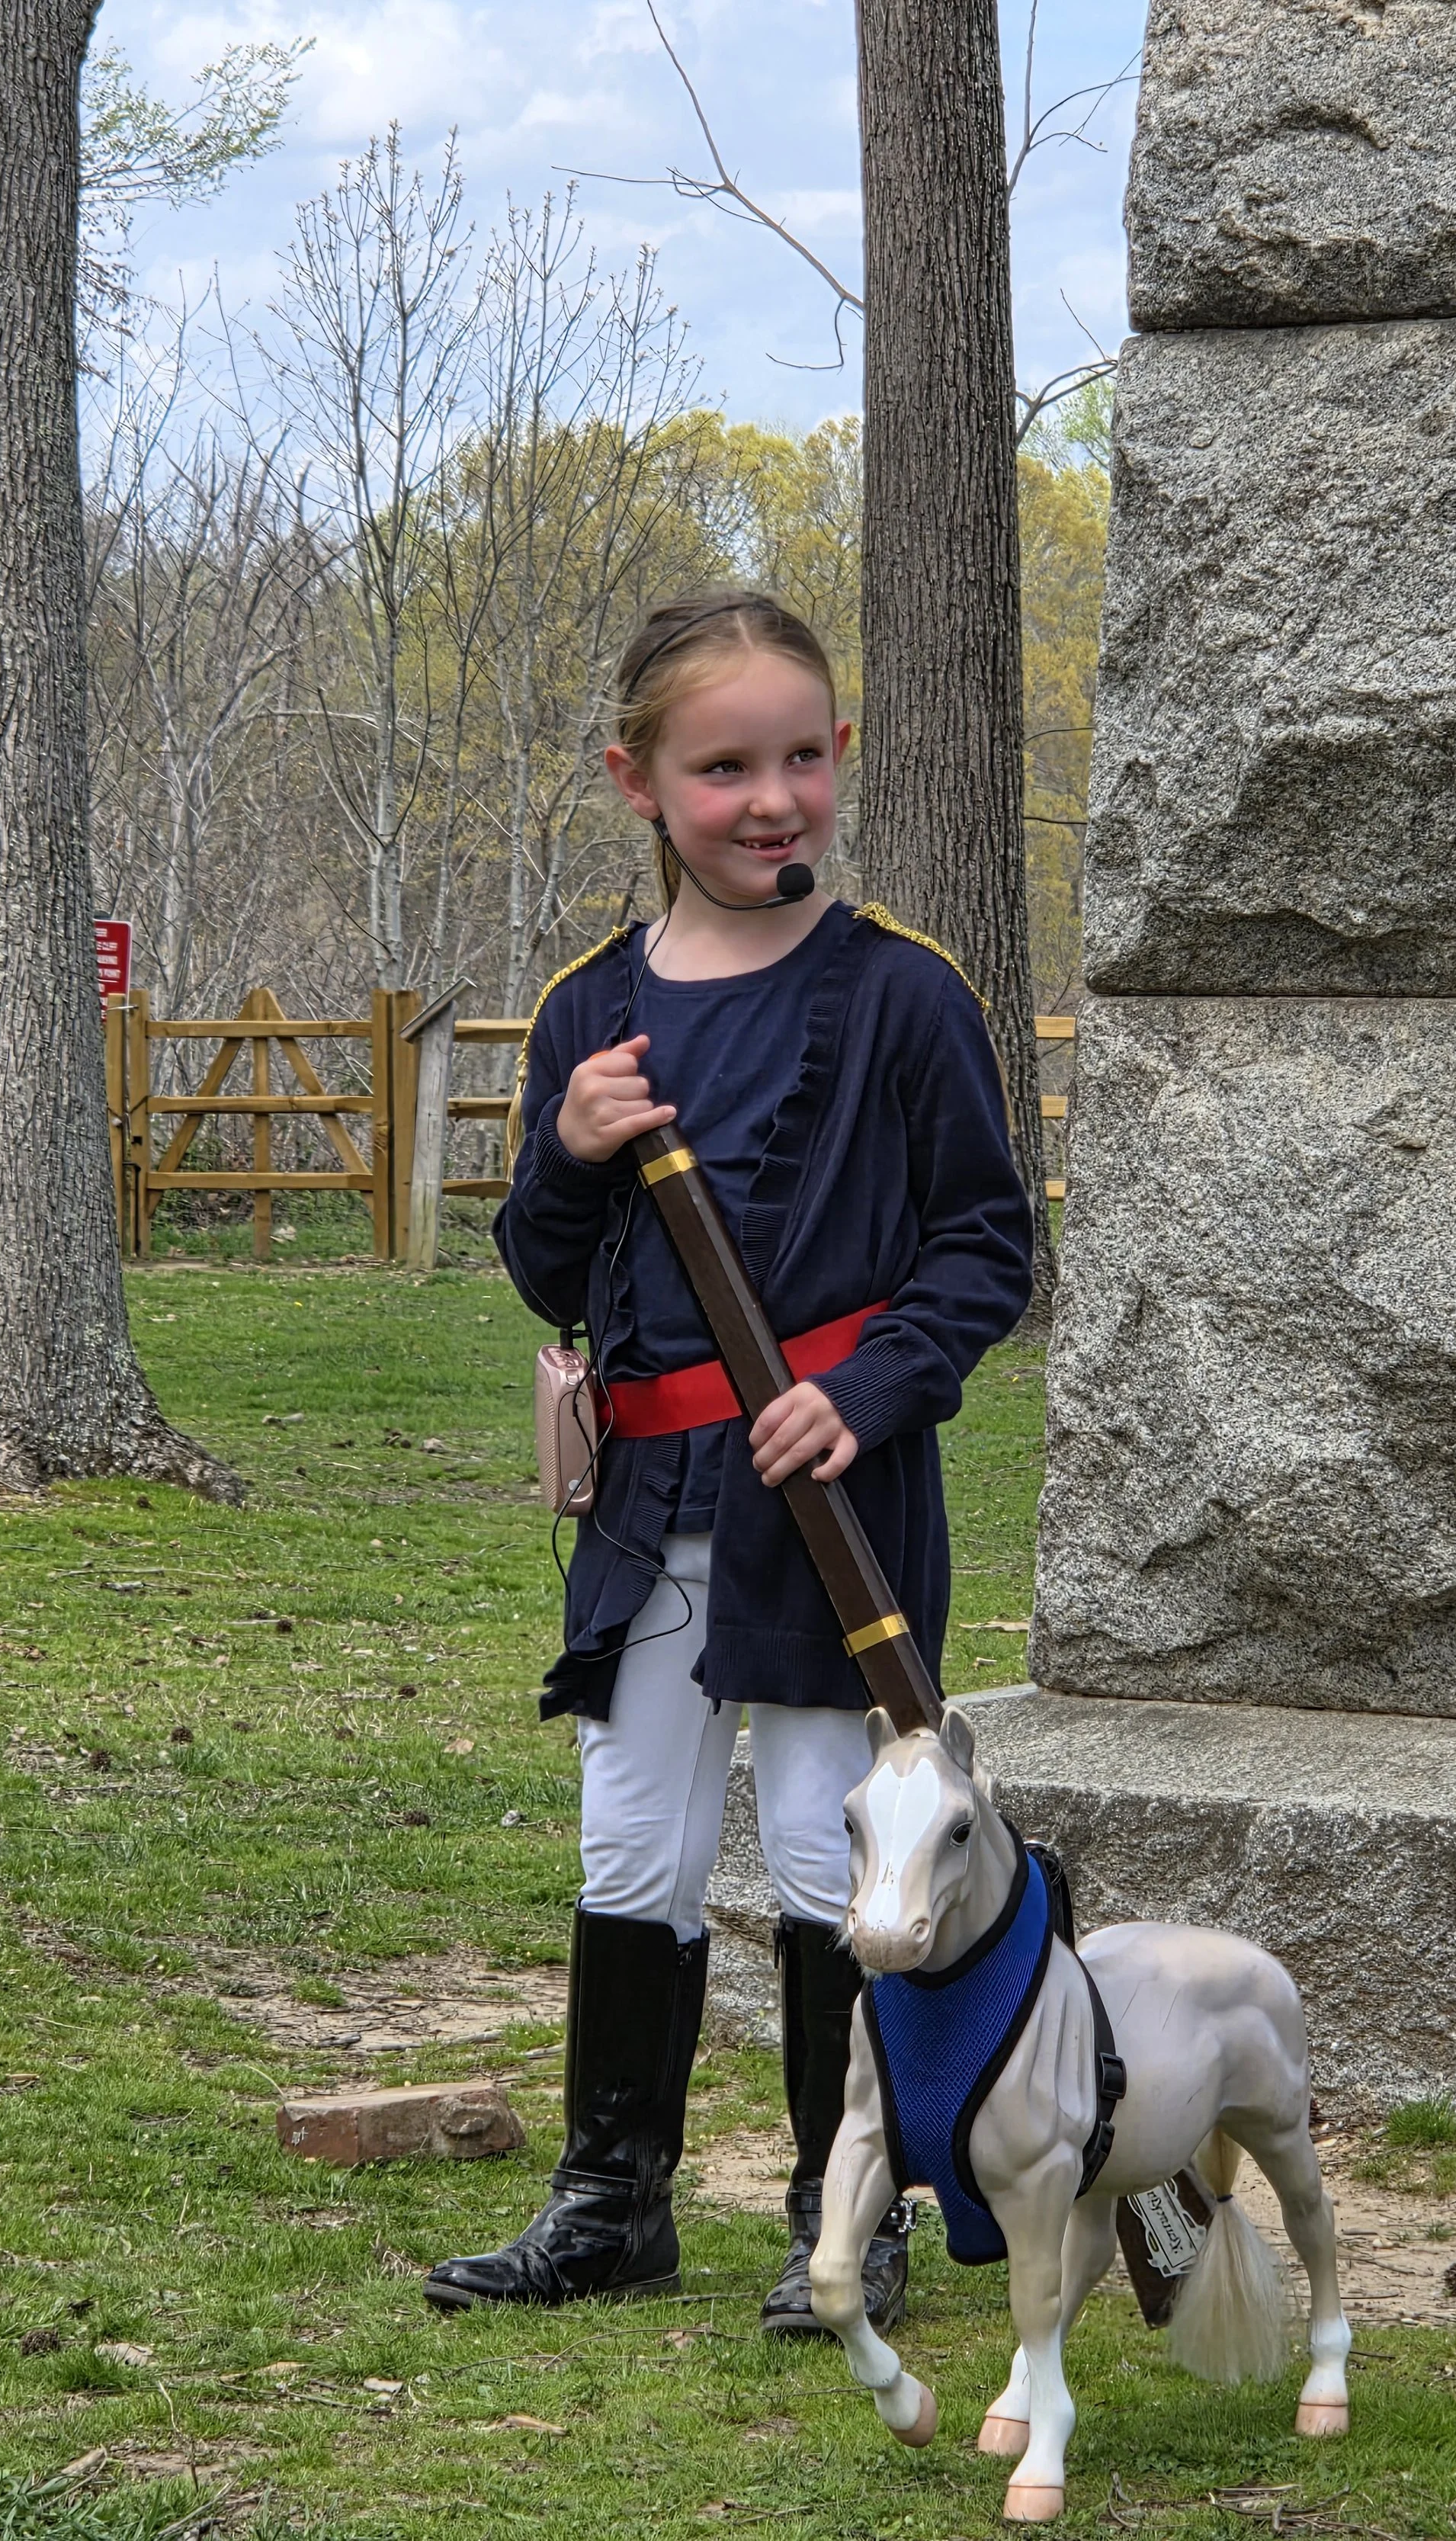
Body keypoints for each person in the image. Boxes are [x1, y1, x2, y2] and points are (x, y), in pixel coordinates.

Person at [423, 591, 1033, 2330]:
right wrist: (566, 1148)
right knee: (633, 1848)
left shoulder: (906, 995)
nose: (770, 800)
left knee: (836, 1865)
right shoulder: (589, 1012)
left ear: (839, 756)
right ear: (639, 782)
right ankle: (611, 2204)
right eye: (722, 769)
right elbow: (548, 1270)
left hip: (831, 1504)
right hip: (649, 1513)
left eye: (799, 760)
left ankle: (848, 2213)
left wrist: (874, 1388)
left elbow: (987, 1249)